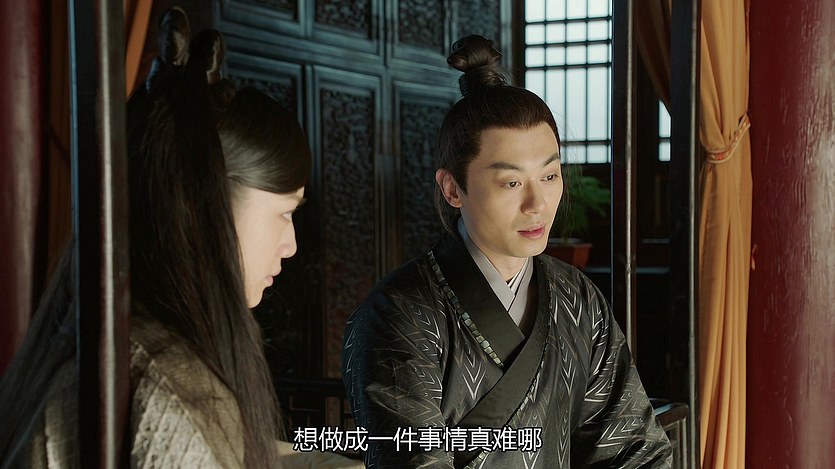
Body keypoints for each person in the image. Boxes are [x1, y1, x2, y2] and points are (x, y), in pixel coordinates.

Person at [0, 8, 316, 468]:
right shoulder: (166, 386)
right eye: (284, 213)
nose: (291, 245)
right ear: (202, 203)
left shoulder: (125, 343)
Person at [342, 35, 672, 468]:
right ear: (452, 188)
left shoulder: (577, 297)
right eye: (511, 182)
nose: (537, 204)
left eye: (549, 176)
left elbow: (633, 448)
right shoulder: (399, 313)